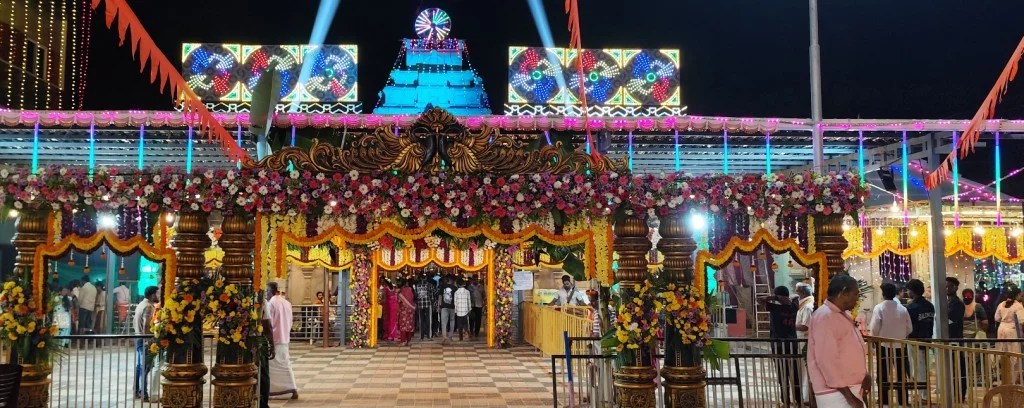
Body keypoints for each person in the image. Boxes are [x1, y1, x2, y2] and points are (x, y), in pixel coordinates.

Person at [807, 275, 870, 408]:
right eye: (855, 294)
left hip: (849, 387)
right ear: (844, 293)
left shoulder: (840, 315)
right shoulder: (825, 317)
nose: (857, 298)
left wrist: (865, 375)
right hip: (835, 393)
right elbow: (826, 360)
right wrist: (849, 397)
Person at [868, 282, 913, 405]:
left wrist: (874, 339)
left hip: (883, 345)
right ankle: (902, 400)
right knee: (901, 374)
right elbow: (909, 328)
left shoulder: (879, 308)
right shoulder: (903, 309)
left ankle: (884, 399)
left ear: (883, 294)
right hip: (900, 345)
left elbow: (874, 328)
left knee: (883, 374)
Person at [758, 286, 801, 406]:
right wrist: (782, 297)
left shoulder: (775, 307)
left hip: (778, 345)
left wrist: (775, 297)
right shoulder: (794, 307)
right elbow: (796, 298)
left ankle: (786, 401)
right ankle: (798, 400)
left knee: (782, 373)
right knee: (794, 374)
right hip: (792, 343)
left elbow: (759, 300)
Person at [266, 282, 298, 399]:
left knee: (274, 365)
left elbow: (269, 323)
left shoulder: (271, 303)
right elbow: (290, 320)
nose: (266, 294)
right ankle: (291, 388)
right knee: (284, 364)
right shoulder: (286, 302)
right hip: (285, 337)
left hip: (274, 338)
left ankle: (279, 389)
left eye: (266, 292)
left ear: (270, 291)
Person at [904, 279, 934, 400]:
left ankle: (924, 395)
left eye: (908, 290)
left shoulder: (911, 307)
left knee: (917, 369)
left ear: (912, 291)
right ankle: (924, 394)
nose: (907, 292)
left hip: (914, 341)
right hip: (927, 339)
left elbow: (908, 326)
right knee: (924, 368)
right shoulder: (929, 305)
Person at [993, 287, 1024, 383]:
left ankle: (1004, 379)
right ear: (1016, 295)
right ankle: (1012, 381)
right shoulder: (1018, 306)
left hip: (1001, 330)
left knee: (1002, 355)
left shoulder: (1001, 304)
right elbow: (1022, 320)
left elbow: (997, 318)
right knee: (1014, 357)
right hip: (1012, 331)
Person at [133, 286, 158, 402]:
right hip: (144, 339)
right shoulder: (148, 307)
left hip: (138, 338)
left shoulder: (141, 304)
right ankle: (144, 393)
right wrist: (147, 340)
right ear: (153, 295)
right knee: (145, 367)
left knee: (140, 367)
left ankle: (137, 391)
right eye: (157, 293)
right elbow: (146, 325)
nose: (158, 296)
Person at [794, 283, 815, 403]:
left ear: (802, 293)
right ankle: (804, 395)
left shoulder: (807, 307)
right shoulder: (803, 306)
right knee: (802, 370)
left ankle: (807, 397)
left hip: (805, 341)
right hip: (801, 341)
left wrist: (790, 325)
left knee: (806, 370)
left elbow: (805, 326)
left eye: (797, 292)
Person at [258, 289, 275, 408]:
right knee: (263, 374)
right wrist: (272, 344)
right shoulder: (262, 301)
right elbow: (267, 325)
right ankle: (263, 404)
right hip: (259, 342)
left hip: (241, 341)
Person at [438, 276, 457, 344]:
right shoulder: (455, 288)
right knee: (452, 321)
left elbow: (440, 297)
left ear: (447, 280)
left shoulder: (442, 287)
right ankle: (450, 336)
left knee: (444, 322)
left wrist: (439, 306)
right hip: (452, 307)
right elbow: (456, 298)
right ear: (451, 280)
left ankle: (444, 336)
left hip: (444, 307)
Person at [397, 280, 416, 346]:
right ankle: (408, 340)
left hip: (404, 311)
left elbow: (399, 301)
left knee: (403, 326)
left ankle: (403, 341)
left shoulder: (402, 291)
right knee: (410, 325)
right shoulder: (412, 290)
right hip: (411, 310)